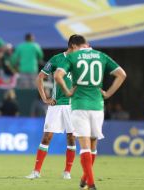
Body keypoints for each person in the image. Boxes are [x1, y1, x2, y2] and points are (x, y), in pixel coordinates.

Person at [54, 35, 126, 190]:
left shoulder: (73, 56)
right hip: (97, 106)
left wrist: (67, 91)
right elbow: (122, 75)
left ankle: (91, 184)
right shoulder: (101, 56)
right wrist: (107, 94)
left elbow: (57, 76)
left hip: (79, 105)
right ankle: (84, 179)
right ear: (87, 44)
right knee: (93, 146)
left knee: (85, 147)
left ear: (74, 45)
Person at [26, 36, 77, 180]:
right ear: (72, 45)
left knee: (71, 138)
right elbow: (40, 77)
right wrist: (44, 98)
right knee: (47, 137)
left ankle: (67, 172)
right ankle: (36, 171)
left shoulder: (81, 62)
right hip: (56, 105)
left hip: (73, 106)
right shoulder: (57, 59)